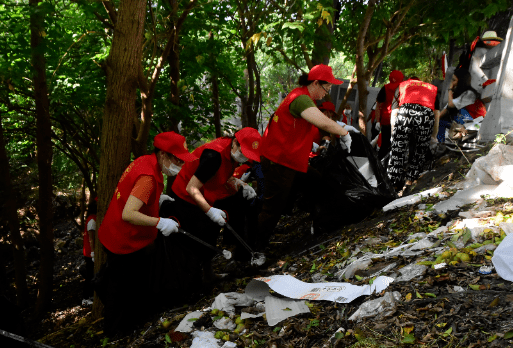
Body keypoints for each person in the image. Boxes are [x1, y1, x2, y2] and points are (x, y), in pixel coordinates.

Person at [97, 131, 197, 335]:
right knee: (120, 290)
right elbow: (129, 213)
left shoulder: (145, 161)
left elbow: (132, 195)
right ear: (163, 155)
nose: (180, 165)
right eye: (177, 160)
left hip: (117, 232)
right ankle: (115, 334)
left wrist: (154, 201)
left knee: (129, 283)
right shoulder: (148, 178)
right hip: (123, 239)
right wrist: (159, 222)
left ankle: (130, 324)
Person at [257, 64, 351, 247]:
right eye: (327, 88)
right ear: (316, 83)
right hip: (279, 161)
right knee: (271, 209)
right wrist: (344, 132)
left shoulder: (303, 96)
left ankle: (316, 223)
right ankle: (254, 251)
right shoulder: (301, 99)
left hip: (291, 161)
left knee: (316, 182)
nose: (327, 92)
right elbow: (322, 121)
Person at [165, 127, 262, 276]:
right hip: (186, 197)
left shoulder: (231, 152)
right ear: (235, 142)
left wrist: (239, 183)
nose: (244, 157)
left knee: (237, 208)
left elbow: (223, 175)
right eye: (243, 153)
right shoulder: (213, 156)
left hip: (207, 192)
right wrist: (210, 211)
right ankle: (200, 277)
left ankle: (230, 263)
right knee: (200, 236)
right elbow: (192, 188)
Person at [387, 76, 439, 191]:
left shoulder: (402, 85)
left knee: (398, 150)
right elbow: (436, 115)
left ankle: (393, 185)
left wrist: (393, 135)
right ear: (421, 81)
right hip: (426, 114)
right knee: (420, 150)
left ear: (409, 81)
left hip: (406, 112)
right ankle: (410, 182)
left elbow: (395, 112)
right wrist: (434, 136)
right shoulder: (432, 89)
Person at [437, 69, 486, 142]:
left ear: (461, 81)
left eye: (454, 80)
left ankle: (462, 134)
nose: (452, 83)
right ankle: (440, 143)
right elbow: (447, 108)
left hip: (475, 122)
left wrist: (450, 89)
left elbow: (450, 105)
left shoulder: (469, 94)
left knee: (457, 110)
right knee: (441, 121)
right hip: (465, 121)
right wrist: (435, 119)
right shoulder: (459, 94)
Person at [374, 69, 404, 160]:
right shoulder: (402, 89)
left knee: (385, 145)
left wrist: (378, 121)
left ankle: (382, 164)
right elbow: (378, 105)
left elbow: (378, 106)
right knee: (391, 146)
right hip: (394, 121)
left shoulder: (385, 88)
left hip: (388, 121)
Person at [79, 197, 97, 306]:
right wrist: (93, 253)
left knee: (91, 275)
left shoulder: (92, 218)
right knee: (90, 276)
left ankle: (89, 296)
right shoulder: (92, 220)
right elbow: (91, 238)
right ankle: (85, 298)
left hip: (89, 252)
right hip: (90, 253)